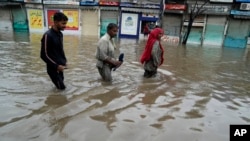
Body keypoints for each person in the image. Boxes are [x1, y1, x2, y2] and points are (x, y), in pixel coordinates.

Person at [40, 12, 68, 90]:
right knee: (62, 89)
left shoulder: (60, 34)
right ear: (55, 22)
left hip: (61, 67)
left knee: (59, 88)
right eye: (63, 23)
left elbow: (60, 50)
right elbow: (43, 55)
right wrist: (56, 66)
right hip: (53, 68)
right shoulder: (47, 35)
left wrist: (64, 61)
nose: (65, 26)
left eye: (65, 23)